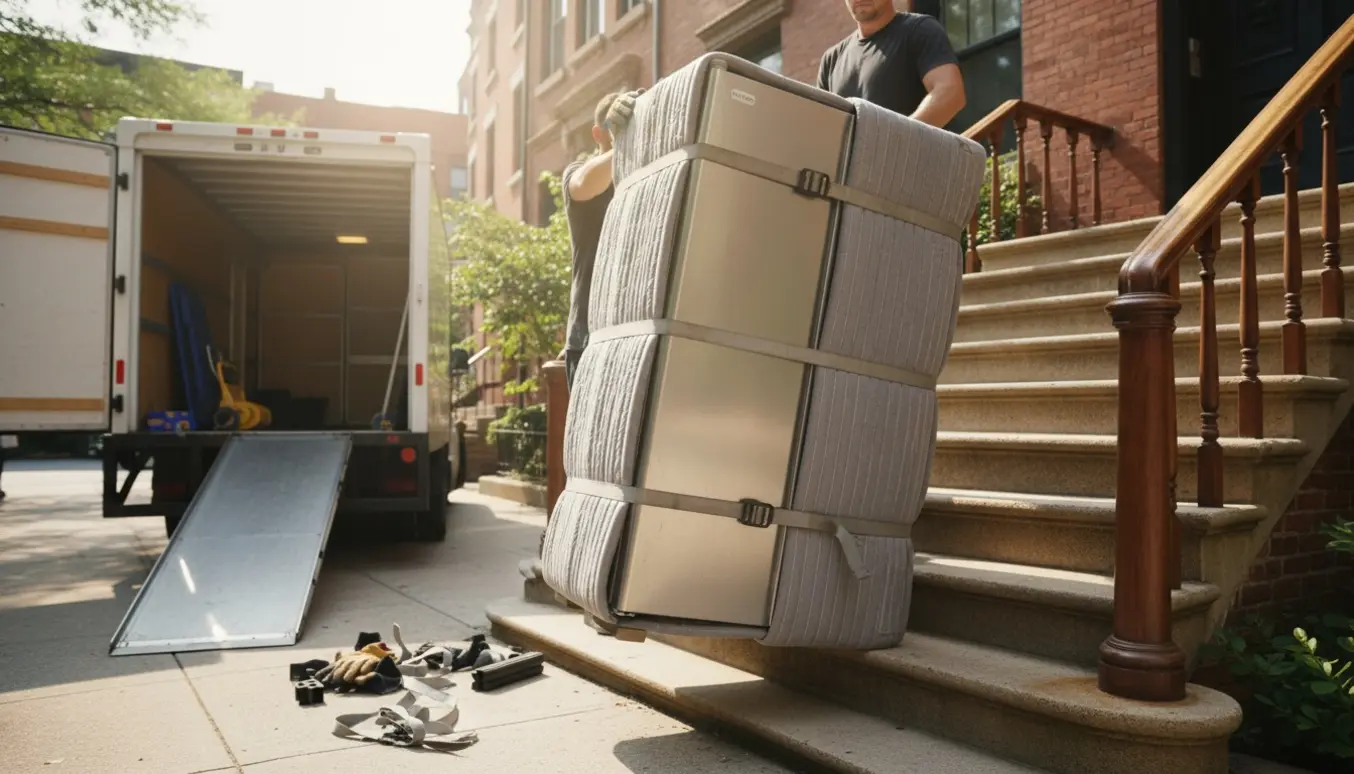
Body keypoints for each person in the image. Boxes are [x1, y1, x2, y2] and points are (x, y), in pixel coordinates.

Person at [559, 88, 643, 391]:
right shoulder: (577, 173)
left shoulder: (642, 178)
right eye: (616, 130)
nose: (626, 135)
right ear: (598, 134)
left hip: (631, 331)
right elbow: (583, 185)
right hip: (588, 336)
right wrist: (623, 143)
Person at [816, 1, 966, 128]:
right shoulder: (831, 60)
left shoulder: (921, 30)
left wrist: (895, 141)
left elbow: (950, 93)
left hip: (913, 160)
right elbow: (821, 127)